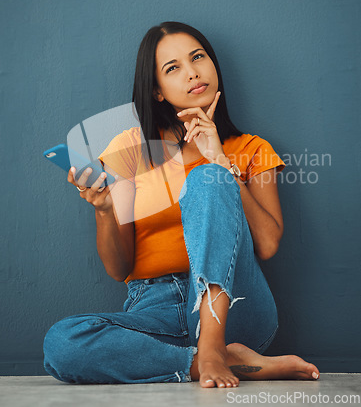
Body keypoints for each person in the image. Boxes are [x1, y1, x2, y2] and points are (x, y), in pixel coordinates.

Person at [43, 21, 320, 388]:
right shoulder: (130, 151)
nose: (192, 73)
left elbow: (267, 244)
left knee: (207, 179)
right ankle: (216, 361)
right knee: (62, 343)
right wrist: (105, 210)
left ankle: (212, 345)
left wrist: (220, 162)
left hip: (235, 308)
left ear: (213, 65)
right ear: (157, 90)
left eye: (198, 58)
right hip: (154, 308)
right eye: (173, 68)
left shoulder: (252, 149)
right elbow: (118, 266)